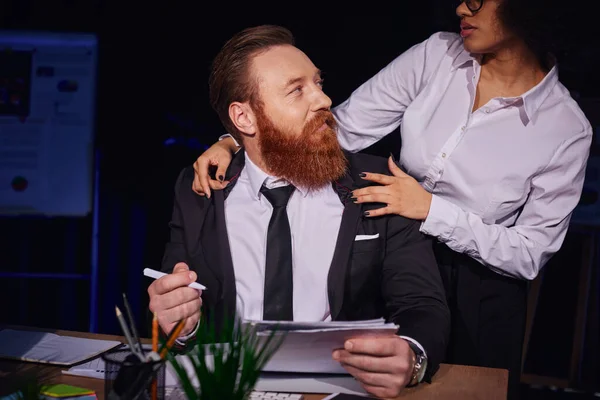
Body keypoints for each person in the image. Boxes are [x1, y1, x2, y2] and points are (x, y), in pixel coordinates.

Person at [190, 1, 593, 398]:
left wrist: (432, 210)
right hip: (395, 251)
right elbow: (338, 128)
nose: (460, 10)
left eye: (476, 0)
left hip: (479, 286)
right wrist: (236, 141)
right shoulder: (438, 54)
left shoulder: (566, 128)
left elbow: (530, 253)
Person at [147, 25, 450, 398]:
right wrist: (180, 322)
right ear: (244, 118)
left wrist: (413, 356)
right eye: (297, 90)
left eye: (318, 83)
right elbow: (177, 313)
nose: (323, 99)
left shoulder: (379, 183)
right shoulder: (200, 190)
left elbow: (421, 305)